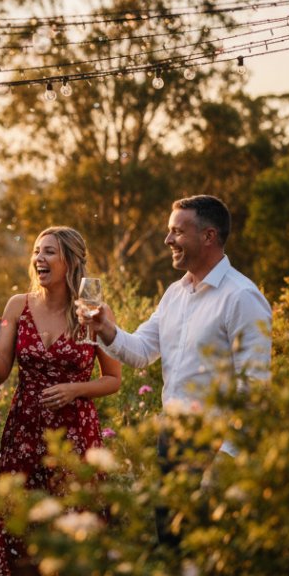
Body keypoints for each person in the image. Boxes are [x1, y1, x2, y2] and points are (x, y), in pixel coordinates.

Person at [77, 194, 272, 544]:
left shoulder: (242, 297)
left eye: (177, 232)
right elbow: (140, 352)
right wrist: (105, 327)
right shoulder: (173, 294)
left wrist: (227, 458)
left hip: (216, 448)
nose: (168, 241)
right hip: (173, 443)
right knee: (172, 549)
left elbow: (254, 387)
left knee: (211, 555)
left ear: (208, 236)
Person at [0, 226, 121, 576]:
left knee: (78, 541)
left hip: (76, 437)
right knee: (25, 541)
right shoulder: (17, 305)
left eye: (49, 252)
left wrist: (75, 389)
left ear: (70, 260)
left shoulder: (92, 310)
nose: (39, 258)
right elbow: (0, 372)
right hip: (25, 434)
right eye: (36, 251)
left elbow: (113, 379)